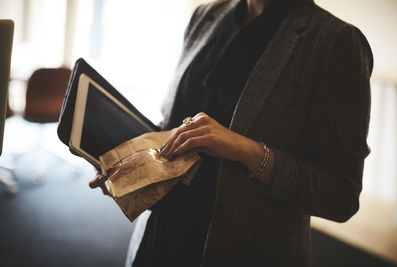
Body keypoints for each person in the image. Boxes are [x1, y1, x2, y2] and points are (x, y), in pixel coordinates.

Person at [90, 0, 373, 266]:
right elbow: (169, 124)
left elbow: (340, 195)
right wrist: (125, 162)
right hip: (161, 231)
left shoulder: (335, 41)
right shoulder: (206, 16)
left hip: (243, 248)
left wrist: (248, 150)